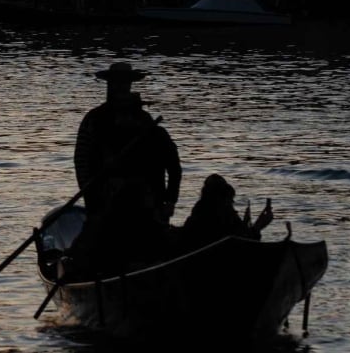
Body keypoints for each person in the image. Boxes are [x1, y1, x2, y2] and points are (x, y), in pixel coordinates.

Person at [72, 61, 181, 269]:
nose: (121, 88)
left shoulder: (147, 123)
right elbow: (81, 162)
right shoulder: (94, 121)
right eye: (116, 84)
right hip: (105, 205)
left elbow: (172, 163)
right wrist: (92, 199)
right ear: (109, 86)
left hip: (148, 207)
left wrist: (169, 201)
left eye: (125, 84)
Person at [179, 173, 273, 248]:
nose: (232, 202)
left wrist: (246, 224)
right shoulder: (222, 214)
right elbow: (238, 243)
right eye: (230, 199)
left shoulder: (199, 209)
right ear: (223, 198)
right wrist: (258, 226)